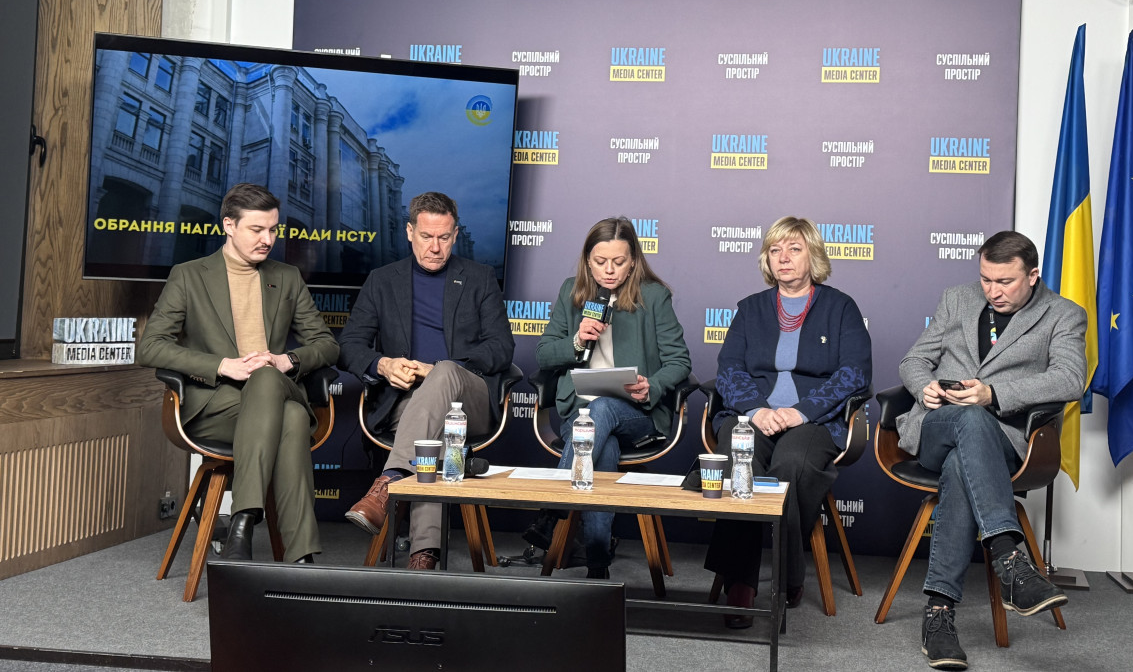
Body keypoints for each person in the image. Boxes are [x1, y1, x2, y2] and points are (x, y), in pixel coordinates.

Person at [898, 230, 1085, 670]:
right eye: (986, 279)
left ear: (1032, 276)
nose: (992, 291)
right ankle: (1010, 560)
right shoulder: (957, 299)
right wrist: (925, 387)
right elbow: (913, 360)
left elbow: (1070, 378)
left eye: (1005, 281)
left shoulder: (1064, 315)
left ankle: (939, 613)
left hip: (1003, 440)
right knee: (966, 421)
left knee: (963, 461)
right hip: (937, 427)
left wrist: (993, 394)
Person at [138, 182, 340, 563]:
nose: (268, 239)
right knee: (294, 418)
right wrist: (221, 365)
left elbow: (328, 345)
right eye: (257, 229)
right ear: (228, 225)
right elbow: (150, 346)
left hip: (275, 388)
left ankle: (242, 522)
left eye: (274, 229)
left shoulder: (287, 277)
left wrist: (287, 361)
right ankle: (301, 560)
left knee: (267, 376)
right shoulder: (189, 275)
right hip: (217, 407)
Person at [703, 216, 871, 627]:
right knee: (738, 459)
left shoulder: (841, 308)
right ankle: (741, 582)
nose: (783, 258)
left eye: (794, 249)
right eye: (775, 250)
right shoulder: (750, 309)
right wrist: (756, 409)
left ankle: (786, 576)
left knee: (791, 465)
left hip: (814, 421)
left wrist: (801, 411)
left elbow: (854, 373)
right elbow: (728, 370)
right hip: (751, 416)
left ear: (814, 256)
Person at [339, 191, 515, 571]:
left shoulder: (480, 278)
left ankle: (387, 483)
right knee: (435, 440)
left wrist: (440, 368)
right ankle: (424, 557)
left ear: (455, 235)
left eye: (444, 238)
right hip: (405, 403)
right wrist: (383, 364)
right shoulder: (382, 280)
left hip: (468, 400)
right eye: (426, 237)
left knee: (446, 372)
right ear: (409, 232)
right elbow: (349, 344)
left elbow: (502, 347)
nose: (435, 247)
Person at [530, 217, 691, 579]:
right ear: (588, 261)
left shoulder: (654, 296)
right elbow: (543, 355)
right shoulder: (571, 291)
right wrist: (576, 341)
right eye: (600, 261)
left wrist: (653, 385)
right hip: (581, 414)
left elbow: (680, 362)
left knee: (600, 409)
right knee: (602, 447)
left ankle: (551, 511)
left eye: (619, 262)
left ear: (633, 261)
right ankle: (597, 563)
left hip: (637, 413)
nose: (609, 270)